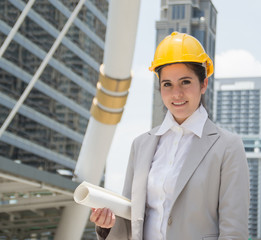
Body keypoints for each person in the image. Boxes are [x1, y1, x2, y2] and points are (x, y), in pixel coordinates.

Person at [90, 32, 250, 240]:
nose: (176, 94)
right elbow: (131, 219)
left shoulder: (228, 146)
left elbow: (234, 232)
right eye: (167, 84)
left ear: (203, 84)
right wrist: (106, 226)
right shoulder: (141, 145)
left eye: (185, 82)